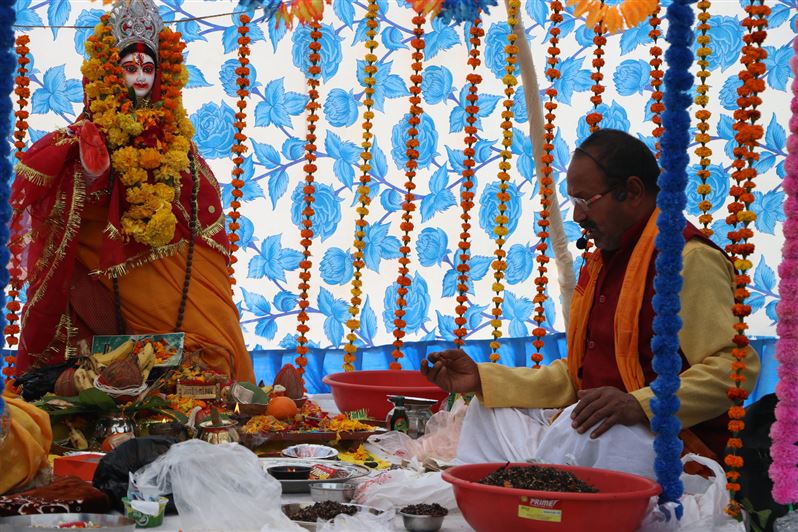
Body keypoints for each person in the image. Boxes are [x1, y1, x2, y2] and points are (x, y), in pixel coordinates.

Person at [421, 129, 760, 471]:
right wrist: (483, 379)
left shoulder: (686, 259)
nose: (577, 216)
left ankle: (548, 497)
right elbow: (579, 377)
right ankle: (510, 498)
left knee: (598, 432)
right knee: (491, 410)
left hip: (666, 442)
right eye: (574, 202)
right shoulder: (604, 261)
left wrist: (640, 404)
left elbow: (734, 369)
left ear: (632, 191)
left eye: (586, 201)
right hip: (601, 427)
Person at [10, 0, 254, 382]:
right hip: (108, 277)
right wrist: (93, 177)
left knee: (217, 341)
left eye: (148, 69)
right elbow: (59, 206)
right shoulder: (87, 137)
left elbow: (202, 204)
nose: (141, 78)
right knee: (104, 377)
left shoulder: (179, 143)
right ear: (109, 75)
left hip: (179, 269)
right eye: (130, 68)